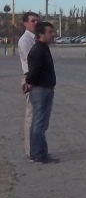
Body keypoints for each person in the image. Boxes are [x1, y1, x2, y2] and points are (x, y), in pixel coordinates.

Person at [24, 21, 59, 164]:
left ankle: (36, 153)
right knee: (40, 124)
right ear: (41, 34)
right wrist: (29, 82)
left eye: (53, 31)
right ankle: (39, 155)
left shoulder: (42, 48)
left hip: (42, 89)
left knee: (38, 124)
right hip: (41, 90)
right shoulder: (39, 50)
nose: (53, 34)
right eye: (49, 32)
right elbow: (33, 72)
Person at [18, 11, 39, 159]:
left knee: (38, 117)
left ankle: (36, 148)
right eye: (33, 21)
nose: (36, 23)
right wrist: (30, 82)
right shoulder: (25, 40)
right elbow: (31, 63)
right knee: (31, 116)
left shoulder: (36, 39)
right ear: (25, 23)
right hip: (31, 79)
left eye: (37, 20)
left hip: (38, 79)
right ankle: (30, 150)